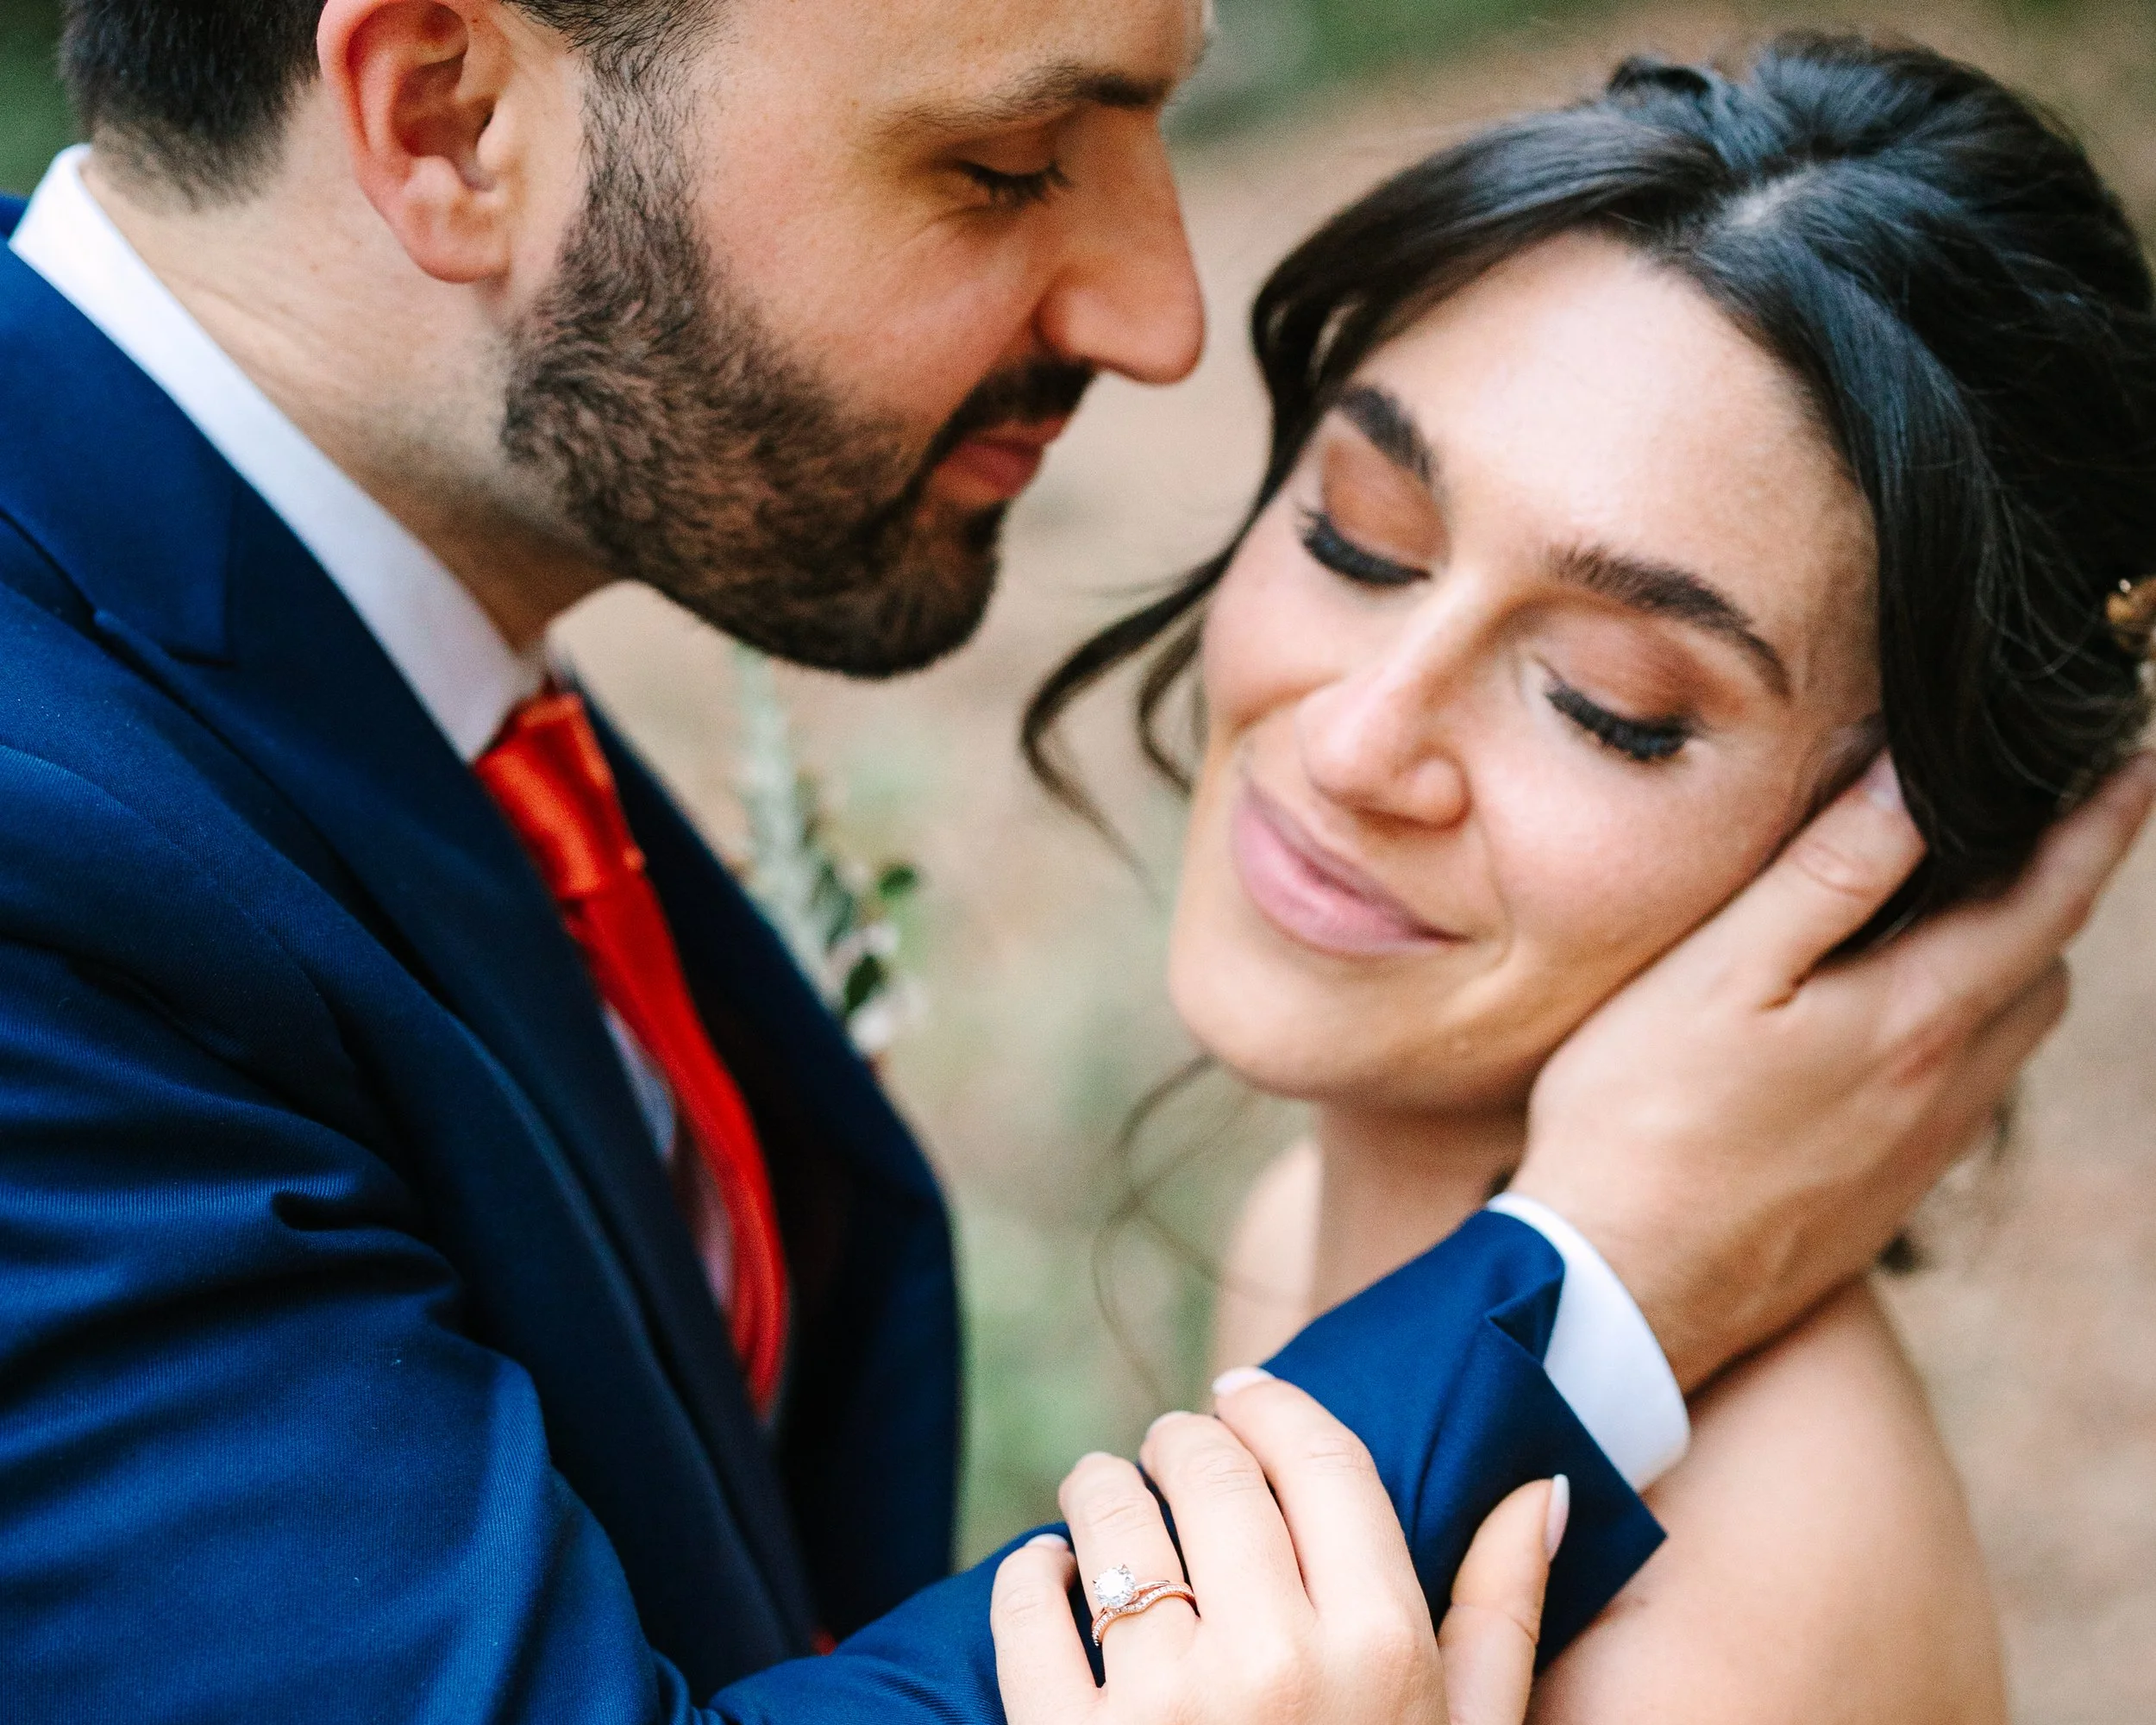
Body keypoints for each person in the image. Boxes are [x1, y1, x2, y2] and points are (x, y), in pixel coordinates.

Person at [0, 3, 2143, 1721]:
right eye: (1005, 160)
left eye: (1608, 700)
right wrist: (1588, 1289)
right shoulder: (61, 854)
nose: (1157, 312)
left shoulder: (1742, 1626)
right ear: (450, 114)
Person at [1003, 32, 2156, 1724]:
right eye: (1354, 537)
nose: (1355, 742)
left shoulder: (1724, 1639)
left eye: (1607, 705)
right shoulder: (1299, 1224)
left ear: (1901, 856)